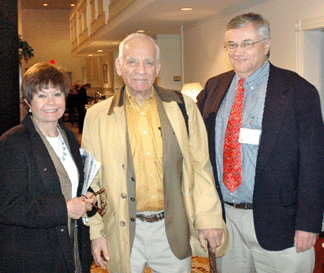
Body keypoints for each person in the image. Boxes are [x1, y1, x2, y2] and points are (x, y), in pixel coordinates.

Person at [81, 33, 228, 273]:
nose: (141, 69)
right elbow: (92, 181)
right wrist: (96, 233)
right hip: (123, 231)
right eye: (132, 61)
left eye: (148, 62)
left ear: (158, 67)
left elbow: (201, 168)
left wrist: (209, 219)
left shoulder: (184, 108)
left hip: (172, 229)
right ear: (119, 66)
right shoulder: (97, 116)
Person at [197, 12, 324, 273]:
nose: (237, 51)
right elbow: (197, 150)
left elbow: (315, 164)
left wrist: (309, 223)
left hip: (283, 226)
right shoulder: (214, 87)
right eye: (232, 44)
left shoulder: (298, 91)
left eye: (247, 43)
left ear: (266, 45)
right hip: (227, 221)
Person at [0, 62, 97, 273]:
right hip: (35, 255)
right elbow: (8, 208)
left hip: (72, 248)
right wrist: (65, 210)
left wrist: (86, 197)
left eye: (57, 94)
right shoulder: (13, 142)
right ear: (27, 100)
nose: (51, 102)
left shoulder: (69, 136)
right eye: (42, 95)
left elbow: (70, 184)